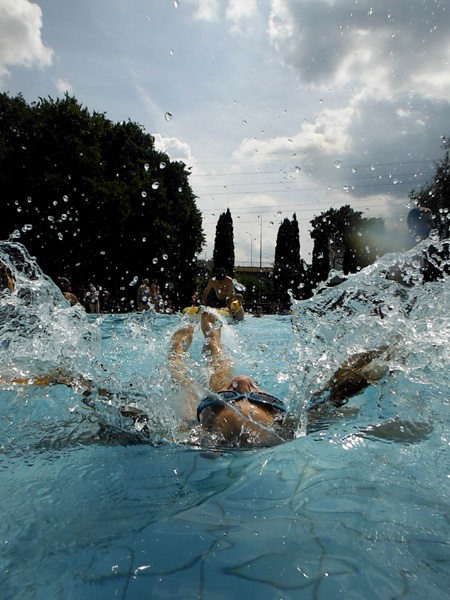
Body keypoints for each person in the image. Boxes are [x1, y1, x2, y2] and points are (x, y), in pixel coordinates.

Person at [168, 311, 287, 446]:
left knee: (185, 386)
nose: (242, 381)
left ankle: (175, 356)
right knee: (224, 381)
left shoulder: (192, 428)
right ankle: (213, 341)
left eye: (227, 396)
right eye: (260, 399)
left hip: (194, 422)